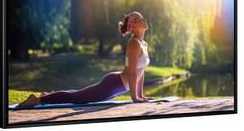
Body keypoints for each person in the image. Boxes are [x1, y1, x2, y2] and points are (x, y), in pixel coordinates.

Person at [17, 11, 154, 107]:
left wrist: (141, 96)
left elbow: (140, 72)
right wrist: (135, 98)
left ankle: (49, 95)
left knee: (79, 95)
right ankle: (37, 100)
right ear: (134, 27)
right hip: (113, 85)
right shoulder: (134, 44)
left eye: (142, 17)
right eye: (139, 19)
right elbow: (131, 72)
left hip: (118, 87)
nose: (144, 20)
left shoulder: (144, 44)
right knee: (77, 98)